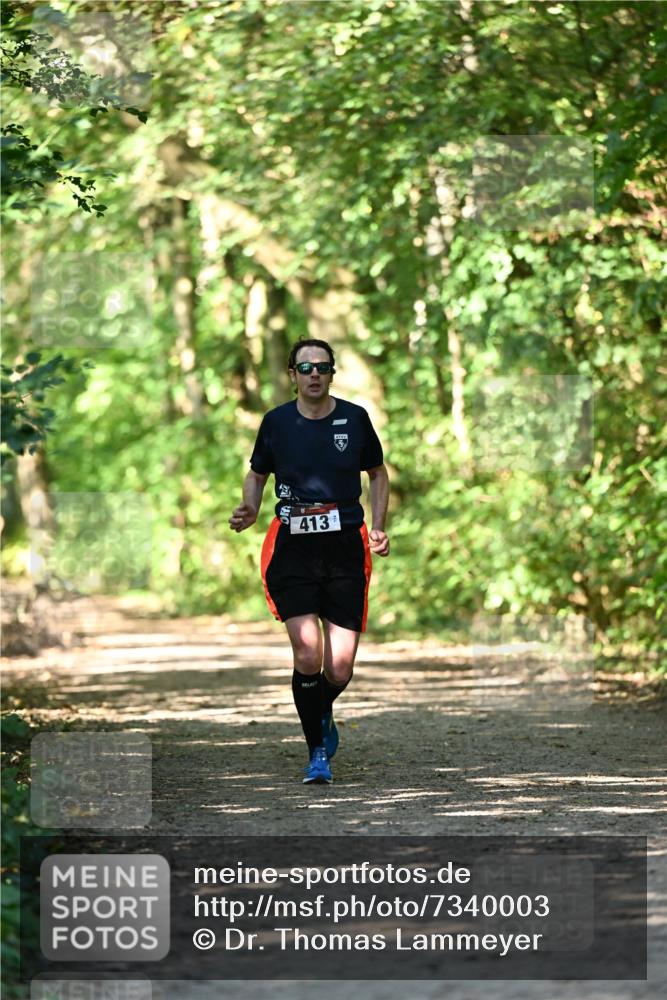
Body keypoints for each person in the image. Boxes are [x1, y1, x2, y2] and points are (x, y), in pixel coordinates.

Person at [229, 337, 390, 784]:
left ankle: (321, 710)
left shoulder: (354, 418)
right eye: (305, 368)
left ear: (332, 372)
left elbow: (377, 473)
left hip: (344, 546)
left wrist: (378, 524)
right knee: (307, 651)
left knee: (340, 666)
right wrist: (250, 507)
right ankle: (316, 751)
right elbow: (257, 473)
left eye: (322, 367)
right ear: (293, 375)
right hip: (292, 546)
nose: (314, 374)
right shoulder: (277, 422)